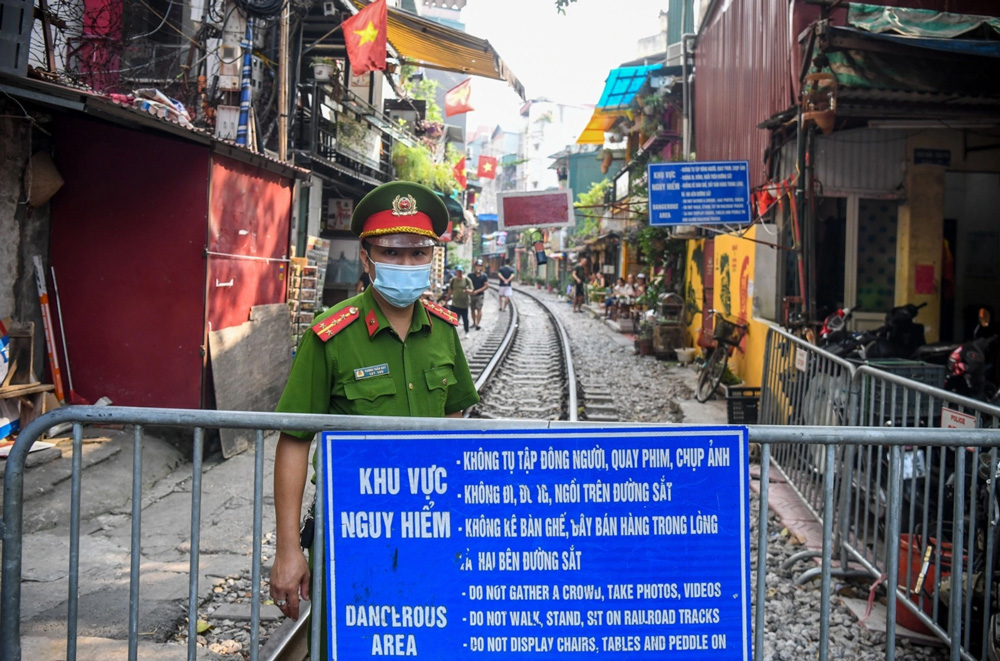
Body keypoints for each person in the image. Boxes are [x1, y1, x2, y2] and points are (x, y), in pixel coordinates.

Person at [269, 181, 480, 624]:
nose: (406, 263)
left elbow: (453, 416)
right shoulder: (330, 335)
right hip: (351, 528)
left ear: (432, 258)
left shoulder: (444, 331)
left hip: (430, 524)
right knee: (354, 637)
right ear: (367, 258)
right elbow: (293, 439)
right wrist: (288, 549)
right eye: (391, 253)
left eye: (418, 253)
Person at [446, 265, 473, 333]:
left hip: (464, 303)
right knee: (453, 318)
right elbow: (450, 290)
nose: (459, 272)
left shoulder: (467, 280)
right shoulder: (453, 280)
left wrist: (467, 291)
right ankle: (452, 332)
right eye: (458, 271)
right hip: (455, 303)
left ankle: (467, 331)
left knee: (465, 319)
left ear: (462, 271)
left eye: (460, 271)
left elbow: (472, 290)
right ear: (456, 271)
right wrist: (446, 300)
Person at [469, 258, 490, 330]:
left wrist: (477, 291)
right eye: (477, 266)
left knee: (479, 309)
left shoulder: (484, 276)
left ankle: (477, 323)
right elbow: (467, 284)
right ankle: (474, 322)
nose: (478, 267)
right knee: (472, 310)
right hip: (471, 295)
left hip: (480, 295)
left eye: (480, 266)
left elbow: (486, 286)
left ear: (481, 267)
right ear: (475, 267)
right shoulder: (470, 275)